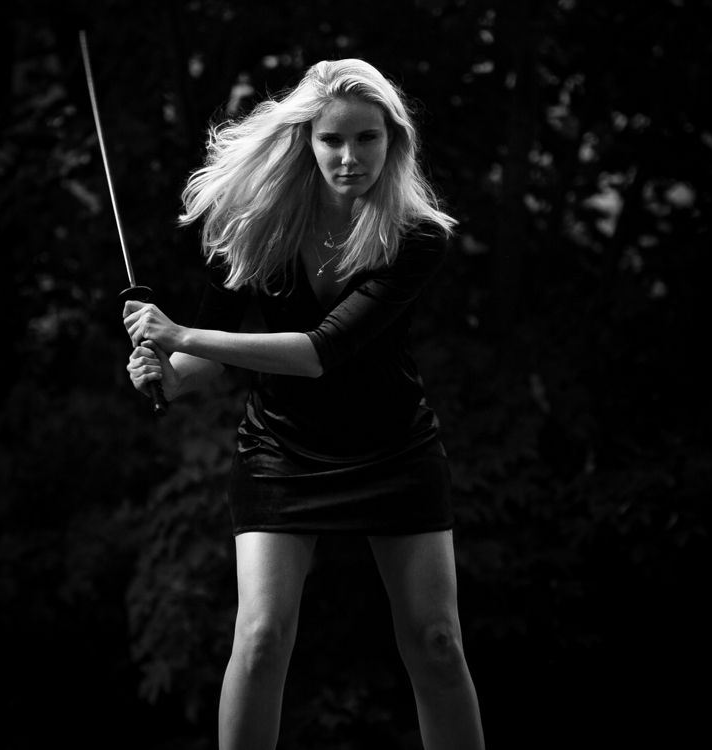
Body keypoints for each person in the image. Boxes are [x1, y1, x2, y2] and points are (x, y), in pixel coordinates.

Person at [122, 59, 485, 750]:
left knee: (438, 642)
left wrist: (180, 336)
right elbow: (205, 360)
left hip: (393, 449)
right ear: (305, 141)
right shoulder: (257, 226)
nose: (350, 157)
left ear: (393, 141)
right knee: (260, 639)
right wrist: (164, 373)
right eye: (332, 140)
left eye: (367, 138)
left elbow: (321, 351)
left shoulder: (417, 235)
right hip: (281, 449)